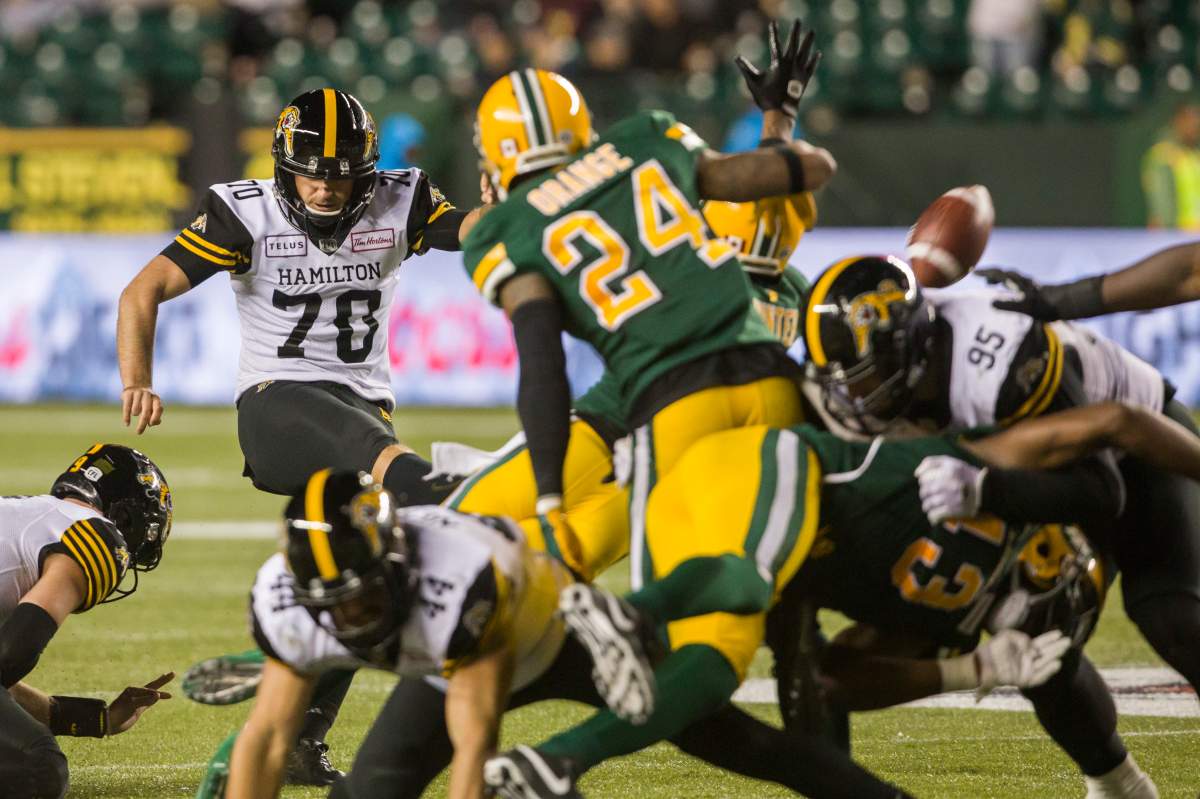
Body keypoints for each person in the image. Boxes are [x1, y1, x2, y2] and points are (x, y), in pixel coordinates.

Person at [483, 399, 1198, 798]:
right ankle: (629, 617)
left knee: (716, 665)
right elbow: (1097, 427)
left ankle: (555, 744)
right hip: (772, 473)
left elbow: (833, 679)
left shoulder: (942, 630)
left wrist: (979, 670)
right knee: (742, 606)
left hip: (754, 517)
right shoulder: (980, 472)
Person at [462, 22, 832, 725]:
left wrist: (546, 494)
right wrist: (778, 120)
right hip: (728, 392)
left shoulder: (507, 227)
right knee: (771, 599)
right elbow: (799, 173)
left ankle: (594, 639)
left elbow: (540, 361)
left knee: (493, 541)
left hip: (656, 402)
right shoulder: (648, 149)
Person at [116, 87, 488, 783]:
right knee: (408, 490)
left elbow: (477, 231)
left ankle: (300, 733)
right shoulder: (244, 213)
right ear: (284, 167)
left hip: (363, 413)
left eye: (341, 171)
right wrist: (137, 376)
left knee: (365, 569)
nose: (324, 184)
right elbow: (142, 290)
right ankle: (421, 482)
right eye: (311, 170)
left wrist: (525, 202)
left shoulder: (399, 201)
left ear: (367, 170)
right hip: (275, 404)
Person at [213, 470, 912, 799]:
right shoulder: (288, 598)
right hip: (447, 654)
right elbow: (268, 736)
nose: (354, 619)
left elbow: (473, 746)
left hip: (551, 632)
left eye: (365, 595)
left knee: (733, 738)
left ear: (396, 561)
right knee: (372, 792)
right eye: (336, 604)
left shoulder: (458, 582)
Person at [801, 254, 1194, 794]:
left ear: (915, 345)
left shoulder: (995, 360)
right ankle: (1119, 785)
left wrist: (988, 489)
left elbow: (1102, 488)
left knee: (1170, 613)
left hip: (1133, 447)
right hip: (1012, 470)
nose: (859, 399)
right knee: (1028, 616)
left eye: (872, 379)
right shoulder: (883, 361)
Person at [0, 444, 174, 799]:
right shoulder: (97, 536)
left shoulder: (27, 519)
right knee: (38, 768)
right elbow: (8, 657)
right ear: (125, 516)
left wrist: (96, 719)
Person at [1141, 103, 1200, 231]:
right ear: (1178, 121)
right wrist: (1164, 224)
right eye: (1191, 121)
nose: (1195, 127)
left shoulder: (1194, 154)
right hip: (1175, 234)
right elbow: (1160, 195)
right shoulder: (1164, 153)